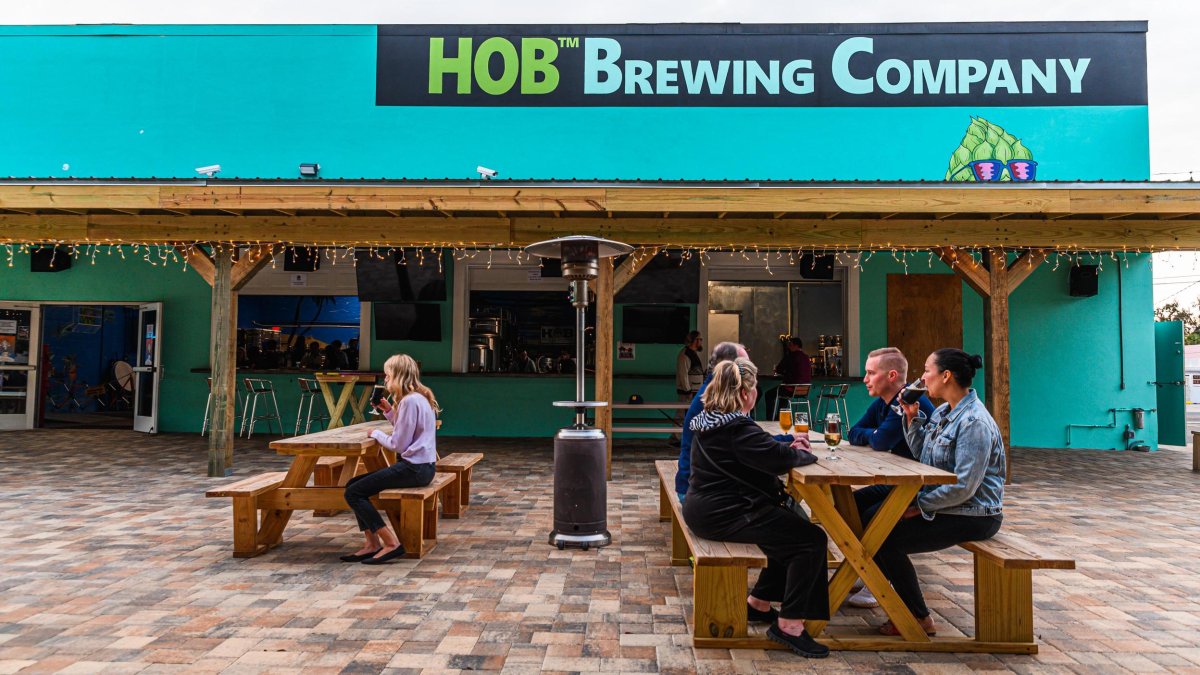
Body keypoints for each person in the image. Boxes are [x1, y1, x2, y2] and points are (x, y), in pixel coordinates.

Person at [682, 357, 830, 658]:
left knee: (786, 528)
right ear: (744, 393)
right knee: (811, 540)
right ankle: (789, 625)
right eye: (756, 388)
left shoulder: (713, 422)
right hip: (728, 512)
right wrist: (803, 453)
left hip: (709, 510)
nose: (757, 393)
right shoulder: (736, 429)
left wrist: (785, 444)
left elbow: (763, 448)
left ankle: (759, 603)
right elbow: (777, 459)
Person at [858, 348, 1005, 636]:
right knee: (864, 511)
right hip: (946, 501)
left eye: (927, 370)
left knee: (884, 534)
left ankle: (917, 617)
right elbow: (924, 456)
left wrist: (920, 506)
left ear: (946, 375)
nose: (922, 377)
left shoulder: (974, 422)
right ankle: (868, 579)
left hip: (973, 512)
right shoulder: (943, 411)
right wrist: (911, 419)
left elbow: (964, 486)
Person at [341, 353, 441, 565]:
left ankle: (389, 543)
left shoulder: (408, 402)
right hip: (424, 467)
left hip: (413, 468)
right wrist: (388, 412)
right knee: (353, 484)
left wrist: (375, 433)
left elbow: (398, 444)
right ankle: (371, 543)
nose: (385, 380)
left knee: (354, 492)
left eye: (387, 375)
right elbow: (409, 431)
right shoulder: (420, 398)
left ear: (397, 376)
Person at [675, 341, 745, 504]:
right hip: (698, 493)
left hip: (692, 485)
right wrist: (789, 441)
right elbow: (750, 440)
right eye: (743, 366)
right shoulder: (716, 399)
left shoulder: (711, 390)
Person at [769, 336, 813, 416]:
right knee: (783, 394)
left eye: (790, 344)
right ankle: (779, 417)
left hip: (791, 388)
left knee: (769, 394)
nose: (789, 346)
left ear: (796, 346)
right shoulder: (806, 357)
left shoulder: (791, 356)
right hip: (804, 390)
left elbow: (779, 369)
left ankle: (770, 419)